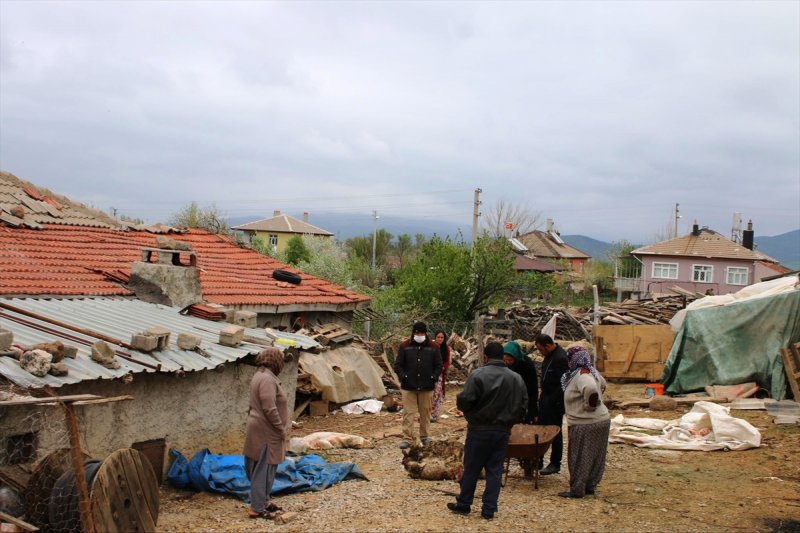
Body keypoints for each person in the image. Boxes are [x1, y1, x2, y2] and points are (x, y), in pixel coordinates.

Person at [447, 341, 527, 520]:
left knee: (472, 468)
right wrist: (511, 421)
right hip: (502, 430)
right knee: (495, 469)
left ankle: (464, 503)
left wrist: (469, 413)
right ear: (502, 357)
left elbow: (465, 400)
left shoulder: (478, 375)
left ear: (485, 357)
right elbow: (523, 405)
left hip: (479, 429)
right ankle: (489, 509)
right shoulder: (516, 378)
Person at [559, 346, 611, 498]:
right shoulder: (593, 372)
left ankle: (577, 490)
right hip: (601, 420)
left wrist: (589, 406)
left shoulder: (582, 375)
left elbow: (591, 390)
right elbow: (602, 385)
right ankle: (590, 486)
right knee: (595, 455)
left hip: (585, 423)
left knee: (579, 456)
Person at [243, 347, 289, 519]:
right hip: (266, 431)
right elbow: (269, 408)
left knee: (262, 467)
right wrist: (280, 428)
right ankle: (256, 508)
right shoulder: (267, 380)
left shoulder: (260, 375)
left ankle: (263, 501)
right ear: (276, 361)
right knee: (264, 468)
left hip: (259, 427)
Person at [394, 321, 442, 448]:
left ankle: (424, 436)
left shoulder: (434, 347)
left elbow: (438, 365)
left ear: (426, 333)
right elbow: (398, 365)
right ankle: (407, 438)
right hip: (408, 386)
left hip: (427, 386)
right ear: (413, 333)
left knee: (425, 413)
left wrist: (433, 377)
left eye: (421, 333)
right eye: (417, 333)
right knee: (408, 413)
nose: (419, 335)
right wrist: (404, 377)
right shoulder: (405, 346)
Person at [534, 333, 569, 475]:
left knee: (555, 432)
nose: (540, 353)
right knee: (541, 429)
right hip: (545, 398)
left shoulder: (560, 358)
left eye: (540, 349)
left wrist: (552, 400)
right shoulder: (549, 356)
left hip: (555, 402)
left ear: (548, 346)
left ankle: (555, 463)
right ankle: (538, 459)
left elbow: (563, 383)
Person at [502, 341, 538, 424]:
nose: (507, 362)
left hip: (524, 396)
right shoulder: (502, 364)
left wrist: (533, 410)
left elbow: (533, 389)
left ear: (516, 357)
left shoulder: (527, 364)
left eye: (510, 360)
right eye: (505, 360)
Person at [430, 329, 451, 422]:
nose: (440, 339)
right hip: (431, 373)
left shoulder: (446, 348)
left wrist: (442, 367)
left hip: (440, 374)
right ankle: (428, 414)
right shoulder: (431, 346)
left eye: (442, 337)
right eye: (438, 337)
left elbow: (447, 361)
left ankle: (435, 415)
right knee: (430, 394)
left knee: (438, 394)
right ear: (435, 337)